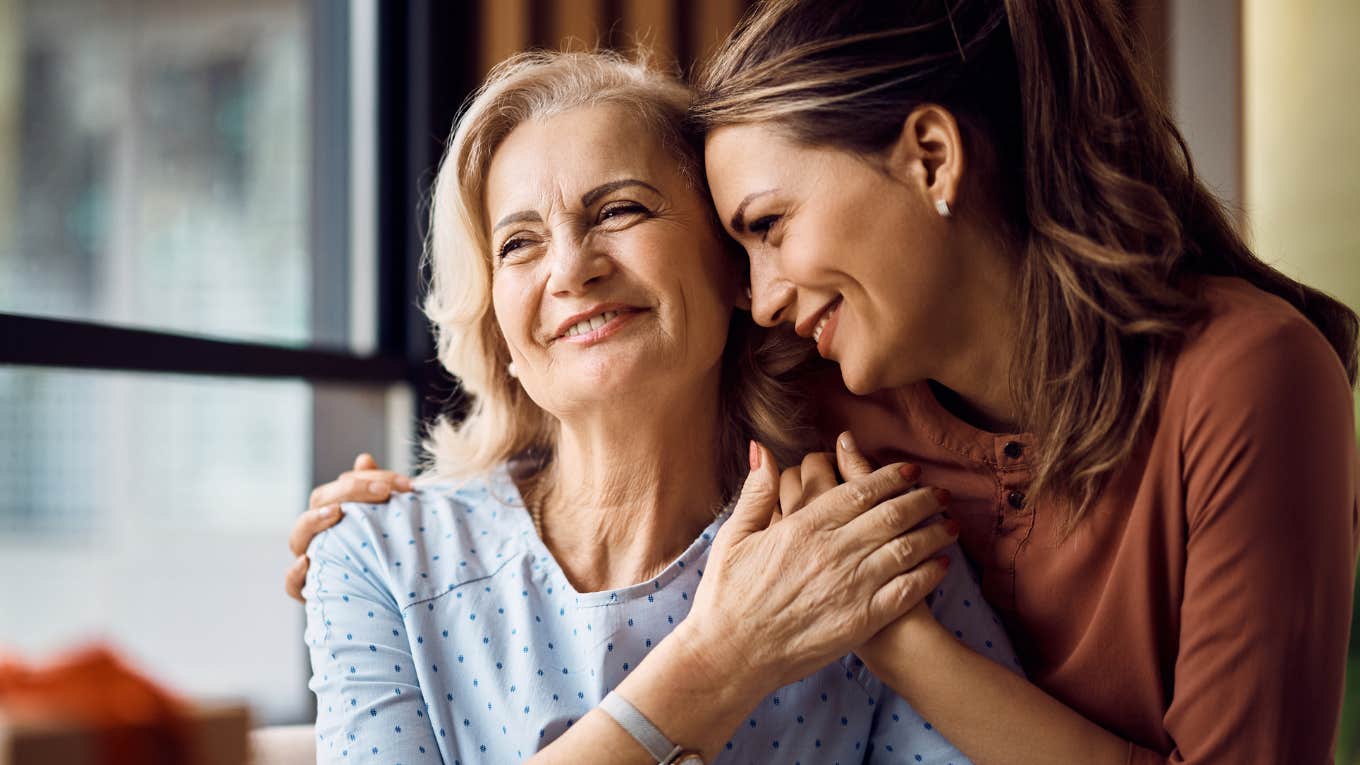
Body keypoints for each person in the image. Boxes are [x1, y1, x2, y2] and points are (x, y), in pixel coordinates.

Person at [294, 0, 1359, 761]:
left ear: (933, 159)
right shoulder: (828, 388)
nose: (762, 296)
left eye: (622, 210)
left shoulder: (841, 490)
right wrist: (385, 528)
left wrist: (892, 640)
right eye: (517, 242)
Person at [300, 49, 1014, 764]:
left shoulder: (862, 542)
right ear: (498, 331)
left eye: (619, 209)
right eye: (519, 243)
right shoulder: (378, 559)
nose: (573, 268)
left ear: (735, 267)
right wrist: (723, 656)